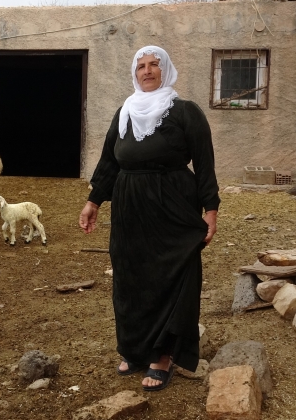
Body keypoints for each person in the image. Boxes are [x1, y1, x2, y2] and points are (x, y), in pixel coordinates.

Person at [79, 45, 219, 391]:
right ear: (135, 72)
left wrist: (211, 209)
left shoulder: (186, 112)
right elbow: (110, 161)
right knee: (130, 274)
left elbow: (204, 163)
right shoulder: (125, 111)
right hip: (130, 204)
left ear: (165, 69)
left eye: (154, 64)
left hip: (172, 202)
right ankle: (134, 348)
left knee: (170, 274)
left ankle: (163, 355)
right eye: (141, 65)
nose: (147, 70)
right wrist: (94, 201)